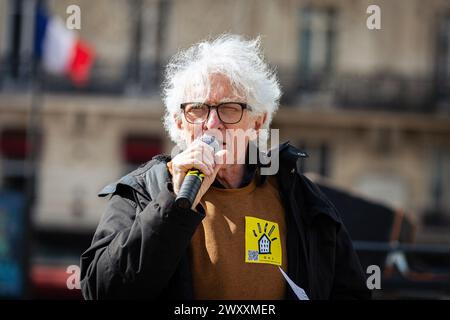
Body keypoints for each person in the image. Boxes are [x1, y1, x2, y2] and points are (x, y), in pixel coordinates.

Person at [80, 34, 370, 300]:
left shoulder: (297, 195)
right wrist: (173, 204)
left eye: (229, 109)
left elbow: (350, 291)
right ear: (179, 123)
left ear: (257, 122)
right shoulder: (141, 192)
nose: (211, 123)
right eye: (197, 109)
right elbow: (100, 291)